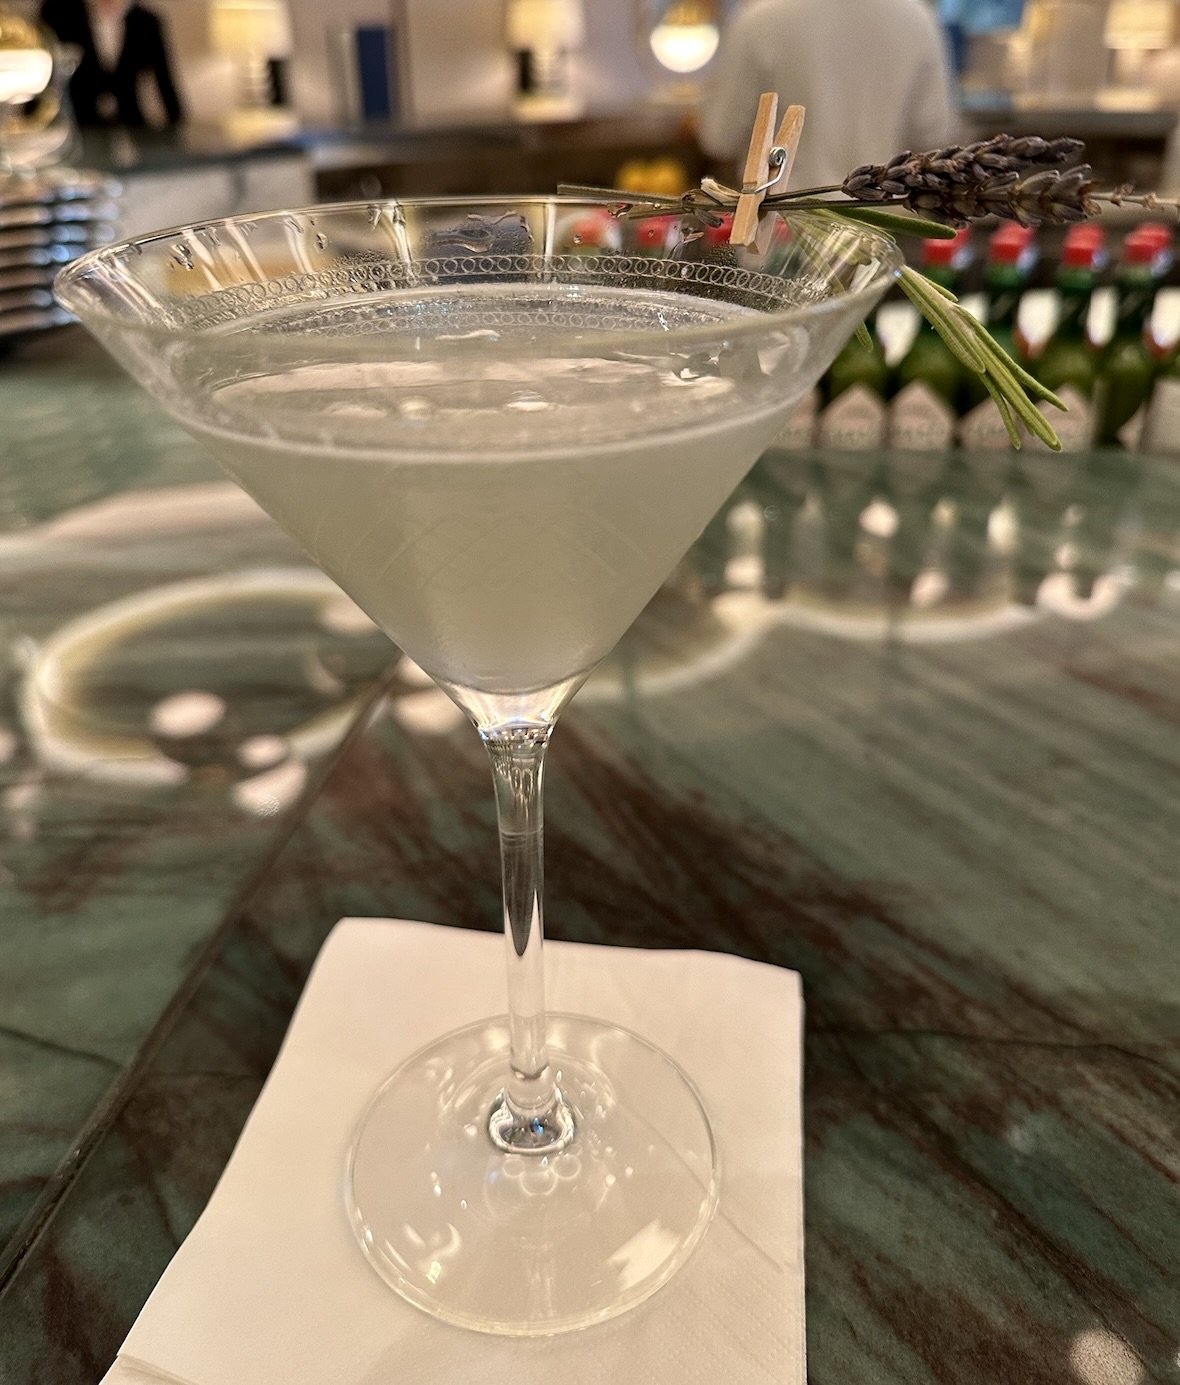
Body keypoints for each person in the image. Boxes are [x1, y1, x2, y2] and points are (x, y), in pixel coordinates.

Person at [698, 0, 956, 192]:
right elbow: (934, 134)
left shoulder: (760, 20)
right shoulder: (918, 18)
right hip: (879, 231)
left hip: (781, 236)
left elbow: (719, 138)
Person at [39, 0, 183, 128]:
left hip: (132, 127)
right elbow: (41, 77)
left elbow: (165, 83)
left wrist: (179, 133)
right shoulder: (58, 13)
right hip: (77, 129)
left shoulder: (147, 21)